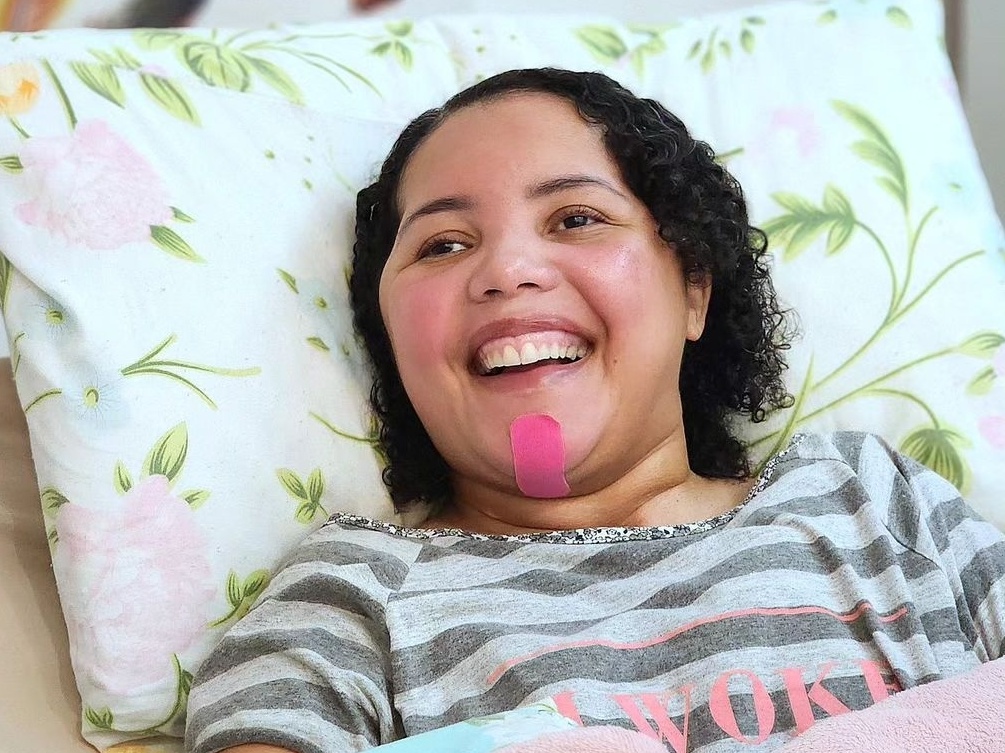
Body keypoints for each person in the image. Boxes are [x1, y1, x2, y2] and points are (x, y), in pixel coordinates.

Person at [184, 68, 1005, 753]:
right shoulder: (351, 593)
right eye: (444, 244)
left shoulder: (867, 501)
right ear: (390, 337)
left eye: (575, 218)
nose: (507, 268)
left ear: (693, 289)